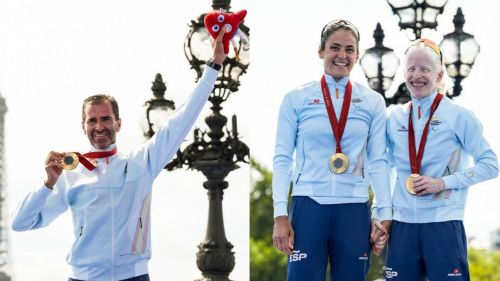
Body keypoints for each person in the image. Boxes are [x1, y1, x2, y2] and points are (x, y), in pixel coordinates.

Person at [11, 27, 227, 281]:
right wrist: (48, 183)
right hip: (84, 277)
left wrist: (213, 68)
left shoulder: (142, 161)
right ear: (83, 125)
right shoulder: (69, 173)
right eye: (92, 120)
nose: (99, 126)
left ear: (118, 123)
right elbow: (20, 223)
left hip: (134, 276)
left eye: (105, 119)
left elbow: (180, 121)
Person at [271, 19, 392, 281]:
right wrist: (280, 215)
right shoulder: (297, 98)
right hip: (308, 205)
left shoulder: (373, 101)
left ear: (357, 56)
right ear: (321, 51)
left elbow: (379, 161)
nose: (342, 55)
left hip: (354, 208)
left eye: (349, 50)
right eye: (334, 47)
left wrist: (384, 213)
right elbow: (282, 159)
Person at [385, 38, 499, 281]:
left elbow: (490, 165)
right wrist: (380, 214)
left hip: (443, 222)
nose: (417, 75)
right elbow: (383, 168)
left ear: (439, 75)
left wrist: (442, 183)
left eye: (425, 69)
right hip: (402, 224)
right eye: (411, 68)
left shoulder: (458, 115)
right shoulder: (394, 118)